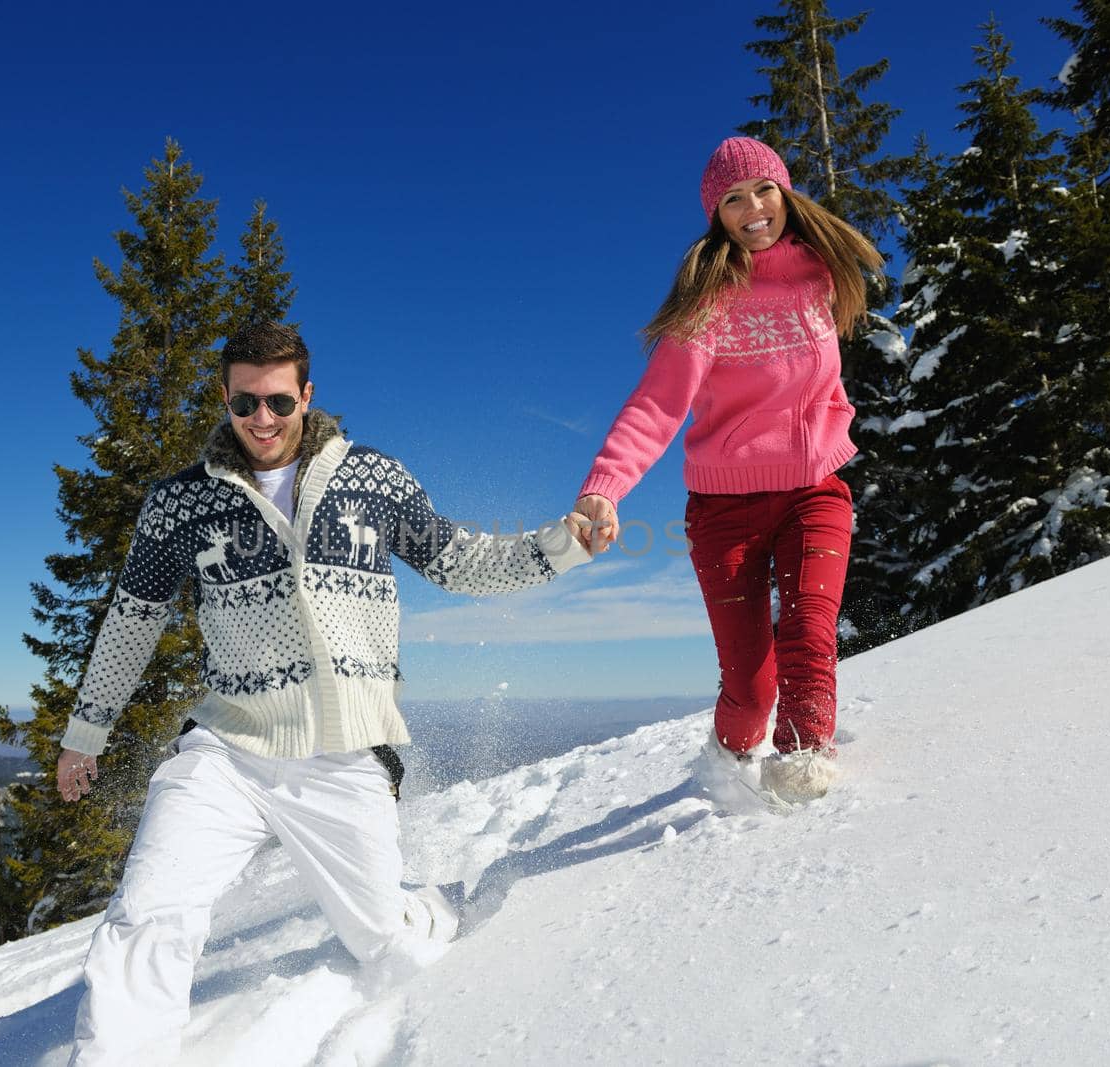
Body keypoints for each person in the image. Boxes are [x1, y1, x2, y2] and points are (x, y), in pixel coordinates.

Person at [56, 321, 594, 1065]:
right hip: (227, 748)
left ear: (308, 394)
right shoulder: (179, 504)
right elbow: (133, 618)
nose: (262, 419)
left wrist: (560, 546)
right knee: (148, 913)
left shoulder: (372, 478)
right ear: (224, 397)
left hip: (343, 755)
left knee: (386, 940)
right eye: (244, 403)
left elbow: (459, 561)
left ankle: (427, 906)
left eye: (278, 400)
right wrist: (85, 733)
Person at [572, 136, 882, 803]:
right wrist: (605, 486)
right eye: (733, 200)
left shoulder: (820, 275)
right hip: (724, 509)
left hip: (814, 492)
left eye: (763, 190)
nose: (753, 210)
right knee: (751, 686)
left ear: (785, 191)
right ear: (718, 216)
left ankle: (804, 787)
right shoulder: (710, 302)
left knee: (808, 636)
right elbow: (657, 405)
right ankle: (727, 763)